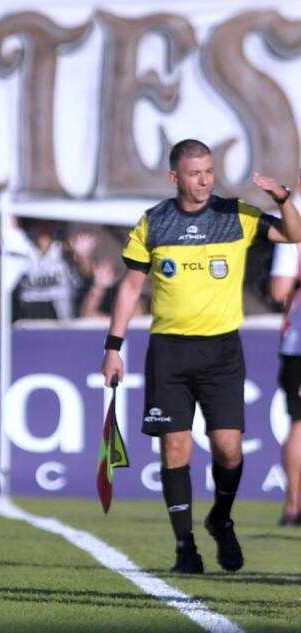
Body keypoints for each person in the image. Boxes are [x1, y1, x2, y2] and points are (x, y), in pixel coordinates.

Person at [102, 138, 301, 574]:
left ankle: (220, 519)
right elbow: (131, 288)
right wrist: (113, 347)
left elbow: (294, 234)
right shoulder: (154, 222)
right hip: (169, 351)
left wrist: (283, 199)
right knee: (175, 448)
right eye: (195, 174)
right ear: (175, 177)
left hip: (221, 351)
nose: (205, 180)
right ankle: (185, 548)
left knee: (228, 449)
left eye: (209, 171)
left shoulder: (235, 215)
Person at [268, 239, 301, 527]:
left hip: (298, 345)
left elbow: (279, 290)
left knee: (299, 424)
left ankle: (293, 506)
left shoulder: (293, 231)